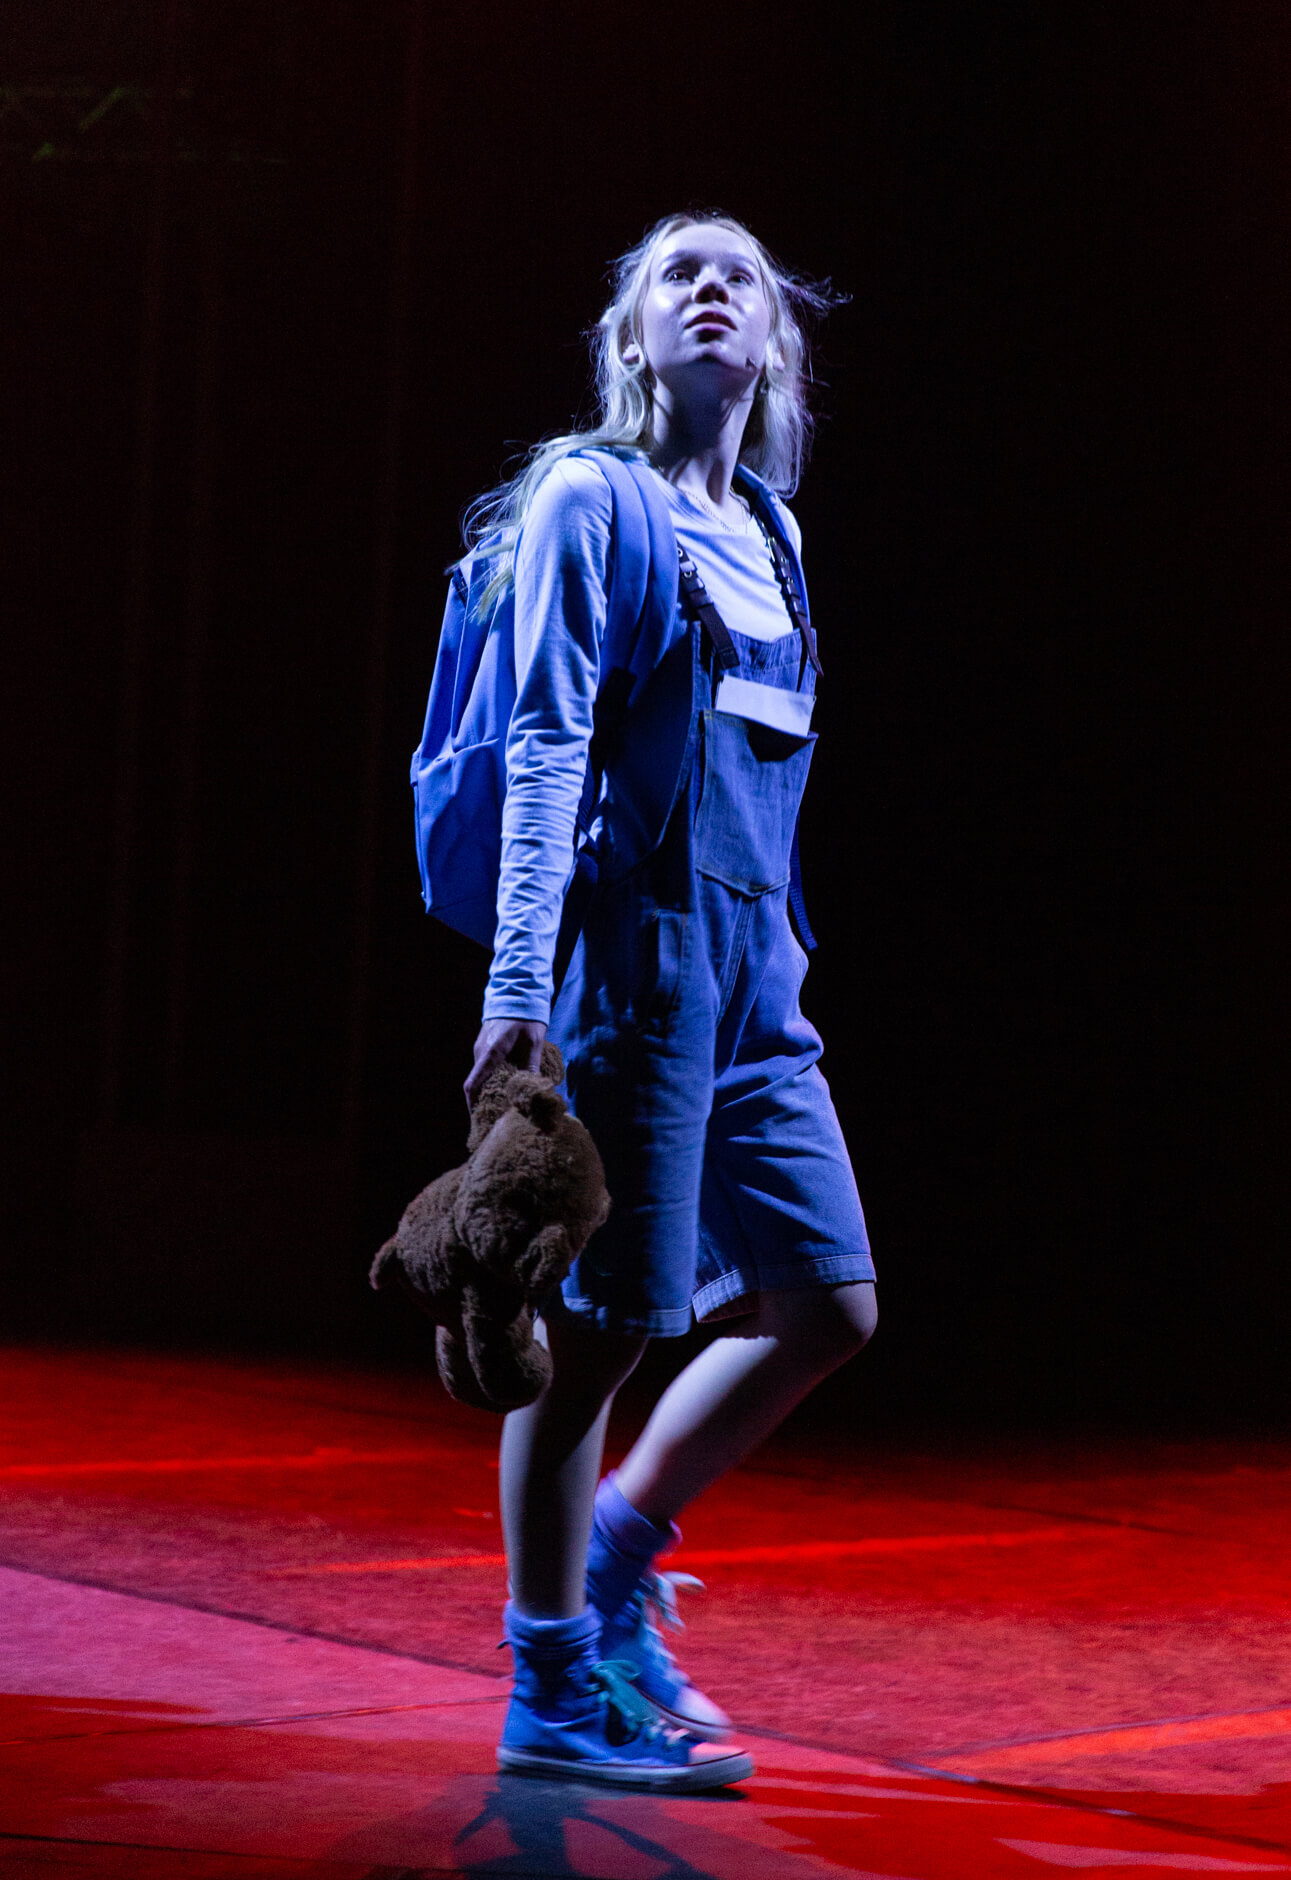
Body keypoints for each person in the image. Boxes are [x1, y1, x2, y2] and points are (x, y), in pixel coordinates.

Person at [457, 210, 877, 1790]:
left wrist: (779, 962)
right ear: (634, 339)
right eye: (674, 275)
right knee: (599, 1337)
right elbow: (548, 746)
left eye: (742, 276)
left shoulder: (771, 529)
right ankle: (550, 1680)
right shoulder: (593, 500)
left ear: (772, 344)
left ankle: (619, 1563)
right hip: (635, 968)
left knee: (829, 1302)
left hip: (757, 978)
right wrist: (517, 993)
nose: (710, 290)